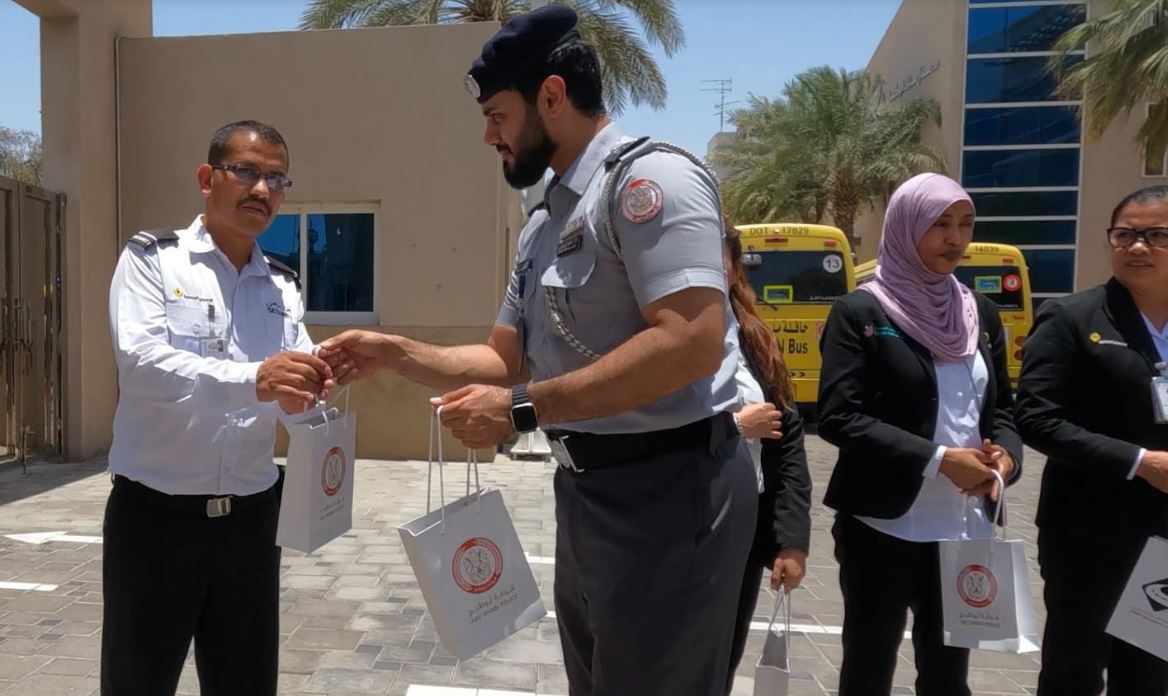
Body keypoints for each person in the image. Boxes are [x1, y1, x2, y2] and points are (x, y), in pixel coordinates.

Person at [318, 6, 757, 695]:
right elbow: (505, 360)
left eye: (497, 114)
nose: (489, 135)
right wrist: (394, 351)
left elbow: (690, 342)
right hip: (586, 494)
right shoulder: (546, 222)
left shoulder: (649, 184)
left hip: (672, 494)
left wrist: (520, 411)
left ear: (550, 96)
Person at [103, 120, 333, 696]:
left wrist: (325, 377)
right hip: (156, 522)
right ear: (208, 178)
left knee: (247, 683)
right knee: (138, 681)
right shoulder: (153, 259)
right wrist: (255, 379)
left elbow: (293, 394)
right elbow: (142, 363)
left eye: (277, 179)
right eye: (247, 171)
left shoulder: (281, 287)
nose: (262, 189)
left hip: (252, 525)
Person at [816, 173, 1022, 696]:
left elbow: (1001, 412)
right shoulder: (861, 311)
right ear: (906, 228)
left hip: (964, 529)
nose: (955, 239)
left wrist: (1006, 461)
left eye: (965, 224)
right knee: (868, 668)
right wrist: (938, 459)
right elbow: (841, 417)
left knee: (948, 677)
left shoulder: (981, 315)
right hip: (884, 527)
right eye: (939, 225)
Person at [1016, 185, 1168, 696]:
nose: (1138, 247)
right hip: (1088, 535)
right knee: (1074, 672)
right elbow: (1036, 417)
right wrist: (1140, 461)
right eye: (1125, 235)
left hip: (1164, 541)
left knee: (1148, 674)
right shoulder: (1073, 318)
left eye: (1156, 235)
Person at [722, 223, 812, 694]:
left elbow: (789, 441)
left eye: (717, 255)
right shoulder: (645, 333)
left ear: (734, 265)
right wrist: (734, 427)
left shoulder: (754, 336)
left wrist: (791, 541)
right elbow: (637, 427)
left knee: (723, 657)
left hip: (741, 528)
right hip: (670, 532)